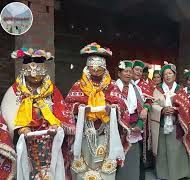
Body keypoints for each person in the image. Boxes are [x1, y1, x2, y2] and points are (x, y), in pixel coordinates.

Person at [1, 48, 75, 179]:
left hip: (50, 140)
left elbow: (62, 111)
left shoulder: (52, 90)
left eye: (38, 72)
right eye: (30, 72)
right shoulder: (14, 91)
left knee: (50, 172)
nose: (34, 75)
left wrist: (56, 126)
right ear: (24, 71)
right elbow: (8, 116)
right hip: (25, 140)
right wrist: (21, 129)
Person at [65, 43, 130, 180]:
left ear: (104, 67)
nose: (95, 69)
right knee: (83, 165)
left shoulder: (111, 85)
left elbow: (122, 105)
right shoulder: (78, 85)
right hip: (84, 133)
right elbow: (68, 105)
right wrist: (81, 109)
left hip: (105, 133)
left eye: (99, 66)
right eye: (92, 66)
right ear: (87, 67)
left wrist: (112, 108)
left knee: (105, 166)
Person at [149, 62, 190, 180]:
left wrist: (175, 110)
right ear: (162, 77)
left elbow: (186, 106)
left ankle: (177, 174)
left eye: (170, 73)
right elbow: (153, 104)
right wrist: (162, 110)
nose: (167, 76)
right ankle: (163, 174)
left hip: (177, 124)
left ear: (174, 76)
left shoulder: (180, 89)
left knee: (177, 151)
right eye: (165, 74)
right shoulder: (157, 90)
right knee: (162, 151)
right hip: (162, 124)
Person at [115, 60, 146, 180]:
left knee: (132, 156)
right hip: (118, 126)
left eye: (130, 72)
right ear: (119, 73)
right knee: (118, 155)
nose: (128, 74)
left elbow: (142, 107)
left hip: (134, 126)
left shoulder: (136, 88)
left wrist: (139, 124)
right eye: (125, 71)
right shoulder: (113, 87)